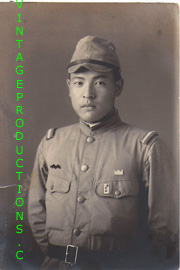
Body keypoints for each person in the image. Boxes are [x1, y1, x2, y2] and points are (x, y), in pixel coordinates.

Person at [28, 36, 178, 270]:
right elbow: (37, 212)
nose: (88, 94)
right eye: (79, 83)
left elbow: (164, 231)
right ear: (68, 87)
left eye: (99, 83)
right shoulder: (52, 143)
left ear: (118, 86)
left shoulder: (145, 146)